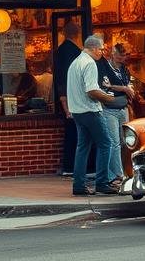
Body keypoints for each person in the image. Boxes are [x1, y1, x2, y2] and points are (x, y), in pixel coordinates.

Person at [67, 35, 119, 196]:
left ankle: (79, 185)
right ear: (94, 48)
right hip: (90, 110)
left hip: (77, 111)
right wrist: (110, 98)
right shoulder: (90, 63)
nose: (102, 53)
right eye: (101, 49)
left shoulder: (75, 63)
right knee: (106, 144)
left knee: (82, 147)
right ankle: (102, 183)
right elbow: (91, 90)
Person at [96, 44, 134, 190]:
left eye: (124, 55)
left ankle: (126, 173)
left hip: (123, 108)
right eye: (121, 55)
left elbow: (124, 85)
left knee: (126, 142)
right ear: (113, 54)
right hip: (109, 109)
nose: (123, 58)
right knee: (114, 143)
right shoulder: (104, 67)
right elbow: (105, 86)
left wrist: (127, 89)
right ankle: (116, 176)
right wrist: (123, 88)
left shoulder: (124, 70)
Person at [54, 20, 83, 176]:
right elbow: (66, 79)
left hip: (67, 99)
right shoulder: (74, 52)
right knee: (76, 135)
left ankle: (70, 166)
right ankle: (72, 167)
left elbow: (60, 78)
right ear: (77, 34)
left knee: (72, 134)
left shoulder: (60, 50)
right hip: (74, 100)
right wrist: (65, 103)